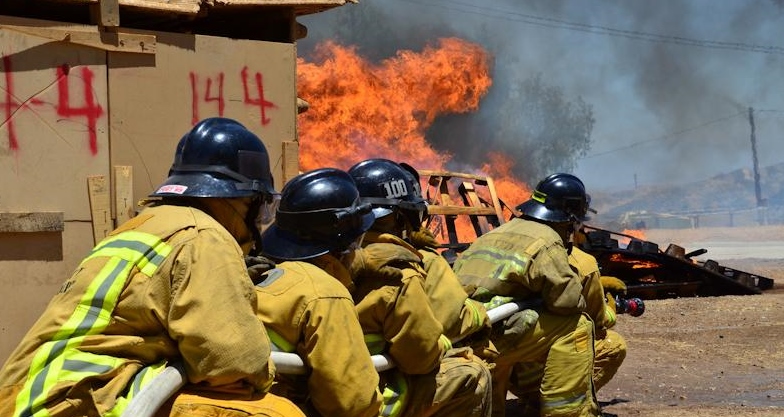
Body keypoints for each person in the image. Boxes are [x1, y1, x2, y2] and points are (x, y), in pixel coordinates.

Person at [0, 117, 303, 417]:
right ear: (244, 199)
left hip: (30, 401)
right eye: (260, 206)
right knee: (275, 412)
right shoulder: (204, 236)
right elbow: (234, 364)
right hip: (79, 403)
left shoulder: (143, 226)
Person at [348, 158, 493, 417]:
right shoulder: (400, 272)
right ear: (401, 216)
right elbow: (420, 358)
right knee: (473, 372)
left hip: (322, 389)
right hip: (370, 395)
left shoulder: (334, 257)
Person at [453, 172, 600, 417]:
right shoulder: (547, 240)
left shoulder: (495, 233)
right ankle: (567, 412)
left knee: (514, 326)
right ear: (569, 217)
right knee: (577, 326)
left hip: (462, 330)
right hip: (492, 334)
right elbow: (567, 302)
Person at [253, 167, 384, 417]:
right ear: (341, 246)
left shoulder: (263, 274)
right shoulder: (325, 293)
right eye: (356, 242)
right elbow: (352, 404)